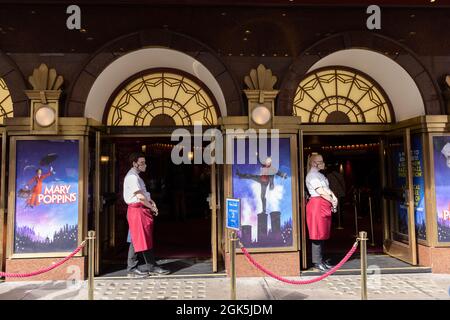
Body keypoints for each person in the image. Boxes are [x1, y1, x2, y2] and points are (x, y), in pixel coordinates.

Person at [123, 152, 169, 277]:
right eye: (141, 163)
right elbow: (139, 197)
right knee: (139, 238)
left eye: (144, 162)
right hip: (137, 210)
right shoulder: (132, 177)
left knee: (138, 238)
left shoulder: (136, 176)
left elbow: (143, 195)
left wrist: (150, 202)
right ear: (134, 164)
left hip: (140, 210)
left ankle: (141, 266)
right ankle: (141, 267)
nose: (144, 165)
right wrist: (152, 207)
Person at [305, 153, 338, 273]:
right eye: (320, 161)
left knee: (322, 234)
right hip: (317, 205)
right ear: (314, 163)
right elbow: (321, 191)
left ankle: (321, 260)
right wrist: (332, 199)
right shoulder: (312, 176)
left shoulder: (320, 175)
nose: (323, 163)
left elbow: (327, 190)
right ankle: (317, 262)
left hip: (323, 205)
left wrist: (334, 198)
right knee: (317, 235)